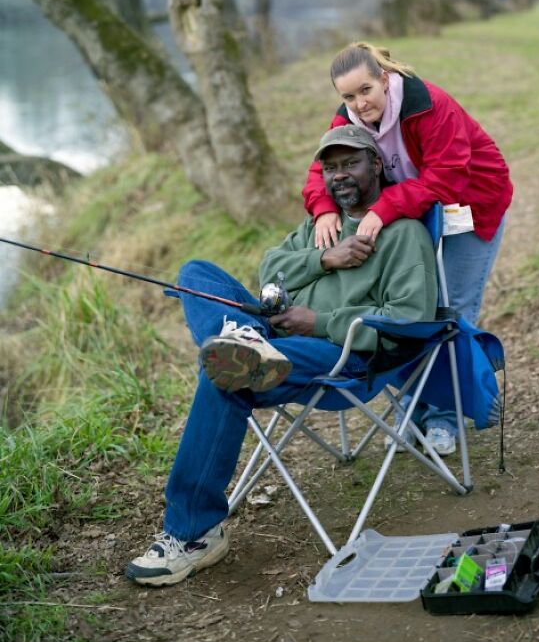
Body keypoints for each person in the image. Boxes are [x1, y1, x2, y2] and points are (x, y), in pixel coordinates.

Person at [126, 125, 437, 587]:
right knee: (196, 273)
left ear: (376, 164)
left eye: (350, 163)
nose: (339, 175)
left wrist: (319, 321)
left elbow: (409, 318)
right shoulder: (321, 226)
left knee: (224, 375)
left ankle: (192, 534)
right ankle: (246, 341)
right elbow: (270, 269)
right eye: (330, 168)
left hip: (341, 354)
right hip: (276, 335)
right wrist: (324, 259)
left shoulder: (403, 234)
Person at [302, 42, 512, 456]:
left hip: (470, 205)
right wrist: (323, 208)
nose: (359, 104)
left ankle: (444, 417)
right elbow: (319, 171)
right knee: (412, 309)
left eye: (366, 90)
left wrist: (384, 208)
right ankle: (412, 410)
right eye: (348, 96)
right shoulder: (348, 117)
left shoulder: (429, 104)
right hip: (414, 214)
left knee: (451, 310)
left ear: (384, 79)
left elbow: (447, 177)